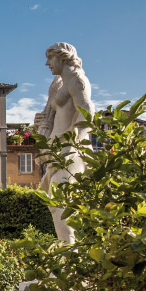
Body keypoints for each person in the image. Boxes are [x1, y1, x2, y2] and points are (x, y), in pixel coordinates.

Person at [38, 42, 95, 244]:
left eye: (50, 58)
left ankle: (70, 256)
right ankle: (70, 253)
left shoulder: (76, 79)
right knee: (57, 204)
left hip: (69, 151)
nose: (47, 63)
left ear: (62, 57)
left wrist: (73, 146)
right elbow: (61, 116)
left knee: (60, 202)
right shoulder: (62, 83)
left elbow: (87, 113)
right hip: (59, 151)